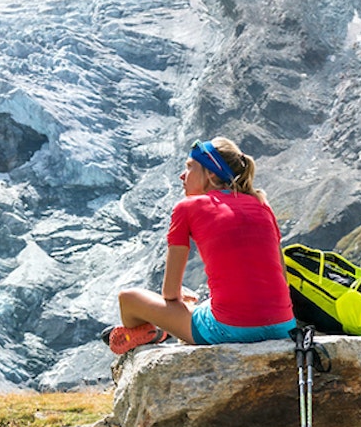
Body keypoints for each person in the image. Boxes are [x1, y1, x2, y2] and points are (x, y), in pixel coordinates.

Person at [104, 137, 296, 355]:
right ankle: (159, 329)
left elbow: (169, 294)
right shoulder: (262, 205)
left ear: (211, 173)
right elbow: (282, 277)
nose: (182, 175)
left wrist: (178, 306)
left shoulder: (186, 207)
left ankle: (149, 332)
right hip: (283, 325)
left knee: (128, 299)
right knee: (204, 305)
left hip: (230, 330)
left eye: (189, 167)